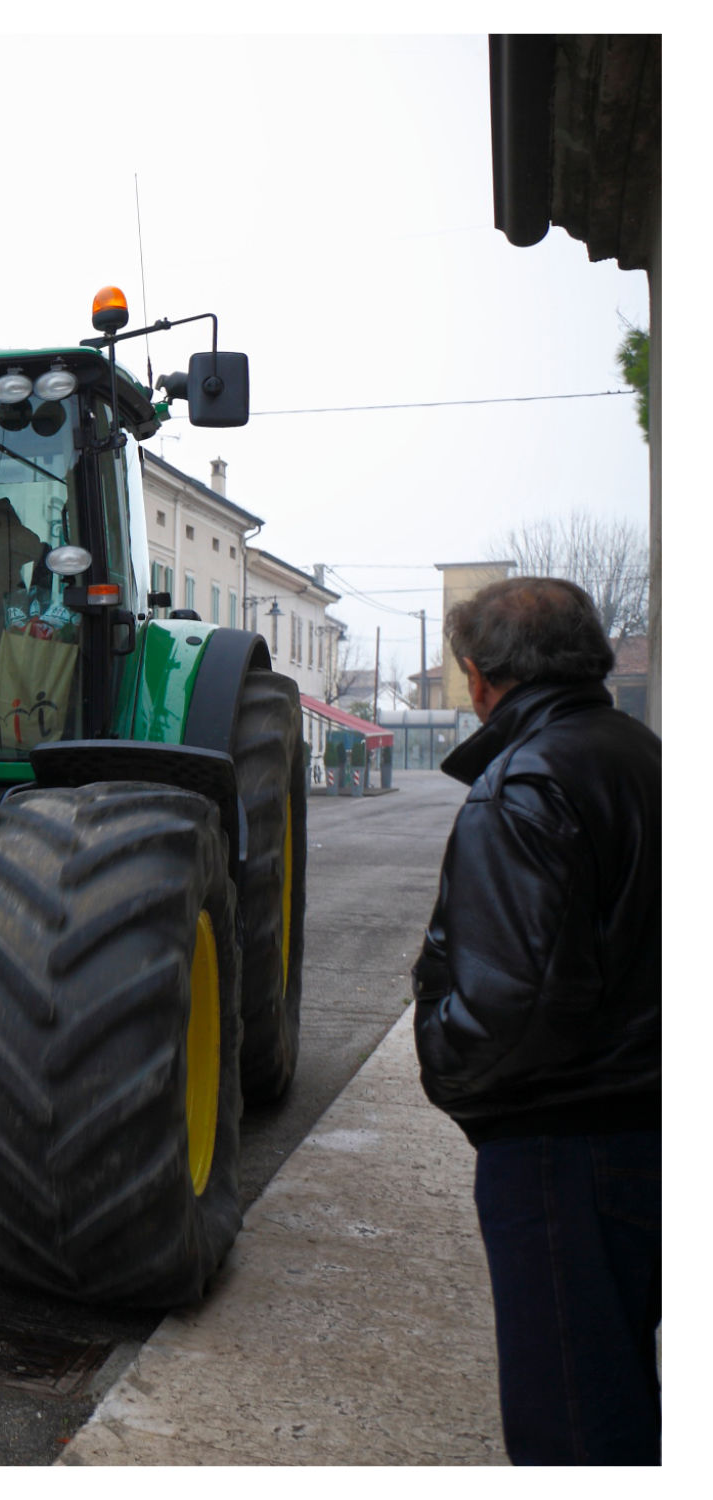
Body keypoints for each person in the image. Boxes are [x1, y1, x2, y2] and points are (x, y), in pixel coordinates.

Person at [411, 576, 659, 1465]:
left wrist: (445, 1064)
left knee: (573, 1419)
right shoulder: (638, 751)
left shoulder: (523, 784)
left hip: (562, 1143)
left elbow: (513, 1007)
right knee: (626, 1385)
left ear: (478, 679)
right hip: (638, 1123)